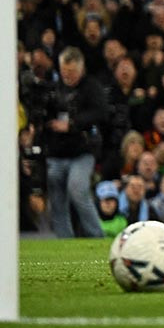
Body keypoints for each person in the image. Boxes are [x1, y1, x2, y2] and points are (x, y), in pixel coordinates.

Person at [42, 46, 106, 238]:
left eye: (72, 71)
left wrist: (72, 124)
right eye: (64, 71)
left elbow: (101, 113)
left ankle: (96, 235)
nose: (67, 76)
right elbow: (45, 114)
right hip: (56, 152)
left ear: (81, 68)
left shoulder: (92, 87)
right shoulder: (53, 88)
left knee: (77, 189)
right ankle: (64, 240)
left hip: (82, 151)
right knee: (56, 198)